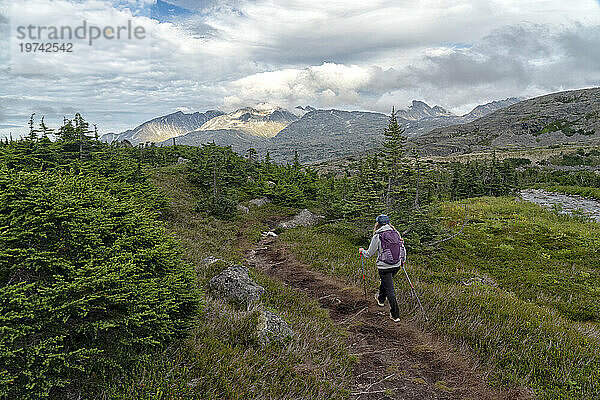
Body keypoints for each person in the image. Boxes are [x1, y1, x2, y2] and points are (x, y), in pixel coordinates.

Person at [359, 214, 406, 322]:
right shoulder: (396, 233)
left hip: (384, 267)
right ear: (389, 223)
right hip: (396, 265)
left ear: (378, 224)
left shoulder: (378, 235)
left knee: (390, 289)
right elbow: (402, 247)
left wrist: (362, 251)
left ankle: (395, 315)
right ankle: (380, 299)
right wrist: (402, 261)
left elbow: (369, 253)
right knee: (386, 282)